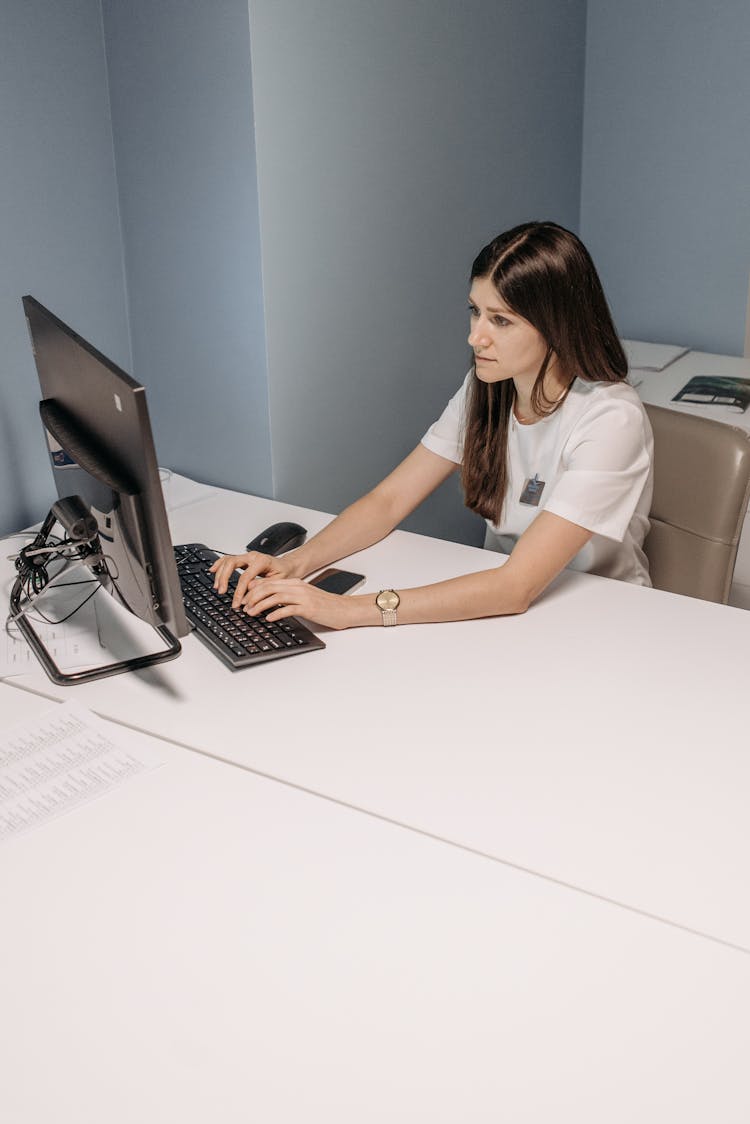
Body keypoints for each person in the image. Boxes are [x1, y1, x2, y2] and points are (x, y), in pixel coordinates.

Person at [210, 221, 653, 629]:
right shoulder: (487, 388)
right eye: (475, 311)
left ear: (556, 327)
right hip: (499, 609)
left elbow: (516, 587)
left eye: (501, 320)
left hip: (599, 618)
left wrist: (348, 610)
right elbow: (387, 502)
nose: (475, 336)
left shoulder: (611, 419)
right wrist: (296, 563)